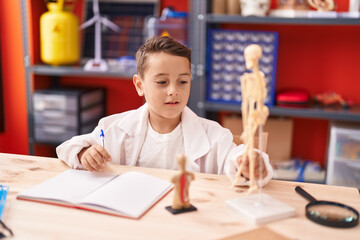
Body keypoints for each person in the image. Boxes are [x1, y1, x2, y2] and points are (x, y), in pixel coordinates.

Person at [56, 36, 273, 187]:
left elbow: (235, 157)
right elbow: (68, 148)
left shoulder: (213, 135)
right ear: (139, 85)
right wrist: (85, 154)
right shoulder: (112, 129)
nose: (173, 91)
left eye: (182, 82)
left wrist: (249, 164)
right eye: (161, 82)